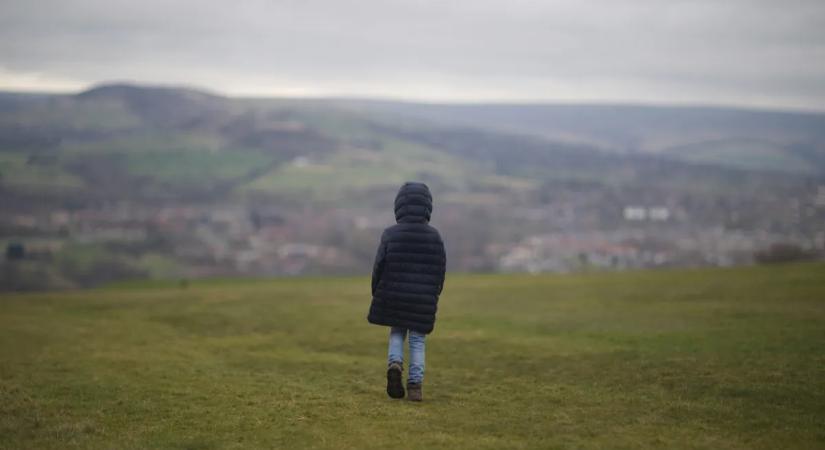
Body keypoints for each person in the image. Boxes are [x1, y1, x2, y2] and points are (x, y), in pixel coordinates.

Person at [367, 182, 447, 402]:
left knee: (396, 333)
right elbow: (440, 269)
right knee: (418, 341)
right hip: (422, 298)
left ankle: (394, 364)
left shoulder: (390, 234)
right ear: (428, 206)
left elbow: (379, 265)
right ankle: (415, 386)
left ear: (399, 205)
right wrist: (435, 293)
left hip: (394, 294)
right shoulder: (434, 236)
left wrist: (377, 291)